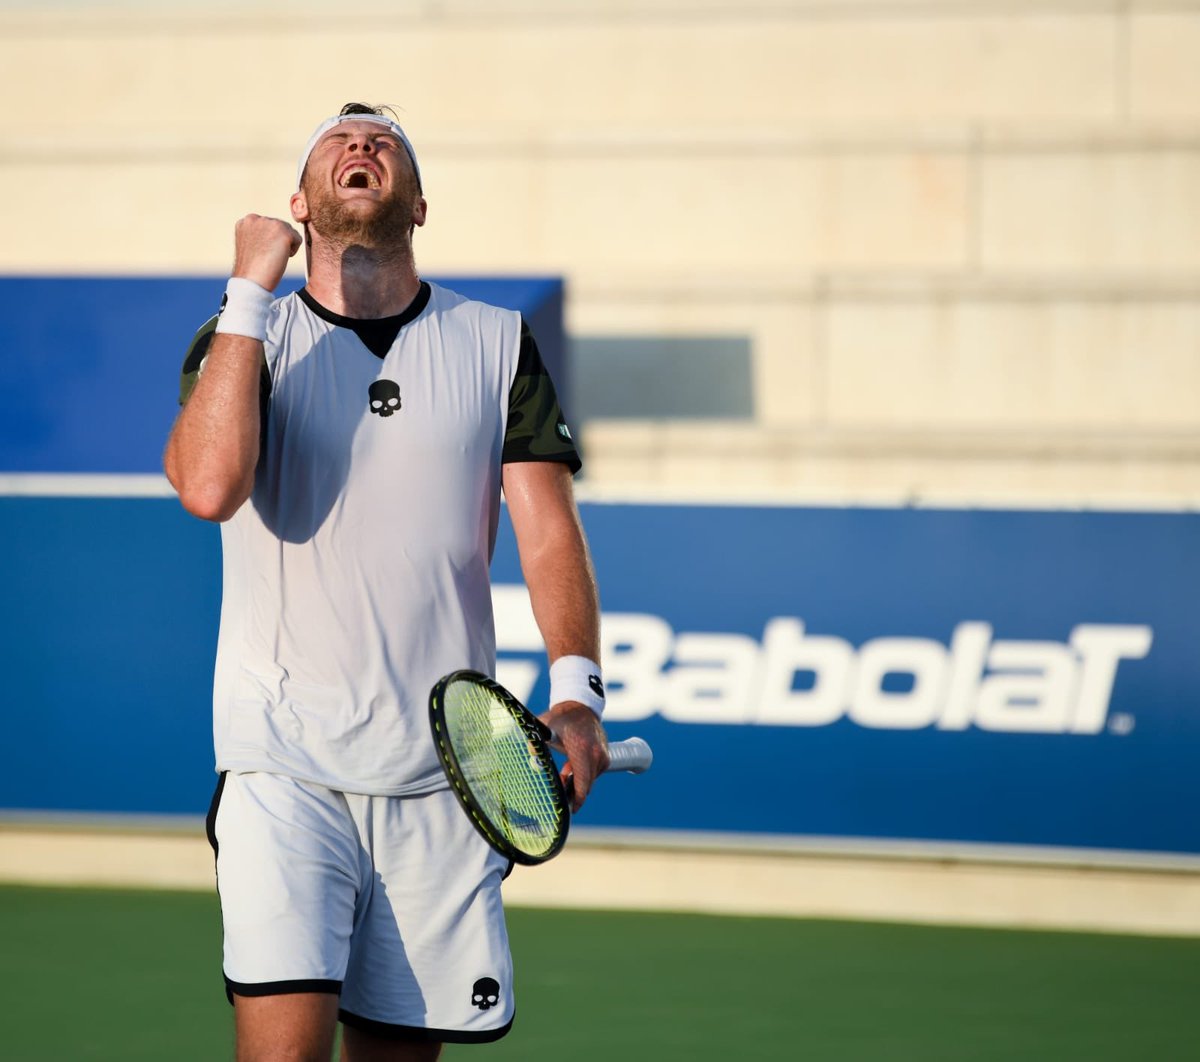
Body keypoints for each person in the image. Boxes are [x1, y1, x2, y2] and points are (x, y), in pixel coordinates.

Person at [163, 103, 610, 1062]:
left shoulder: (497, 341)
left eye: (385, 143)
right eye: (339, 140)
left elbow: (545, 529)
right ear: (301, 198)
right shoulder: (246, 336)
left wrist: (576, 692)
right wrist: (249, 285)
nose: (362, 146)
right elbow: (207, 485)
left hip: (447, 773)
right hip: (283, 765)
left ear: (417, 203)